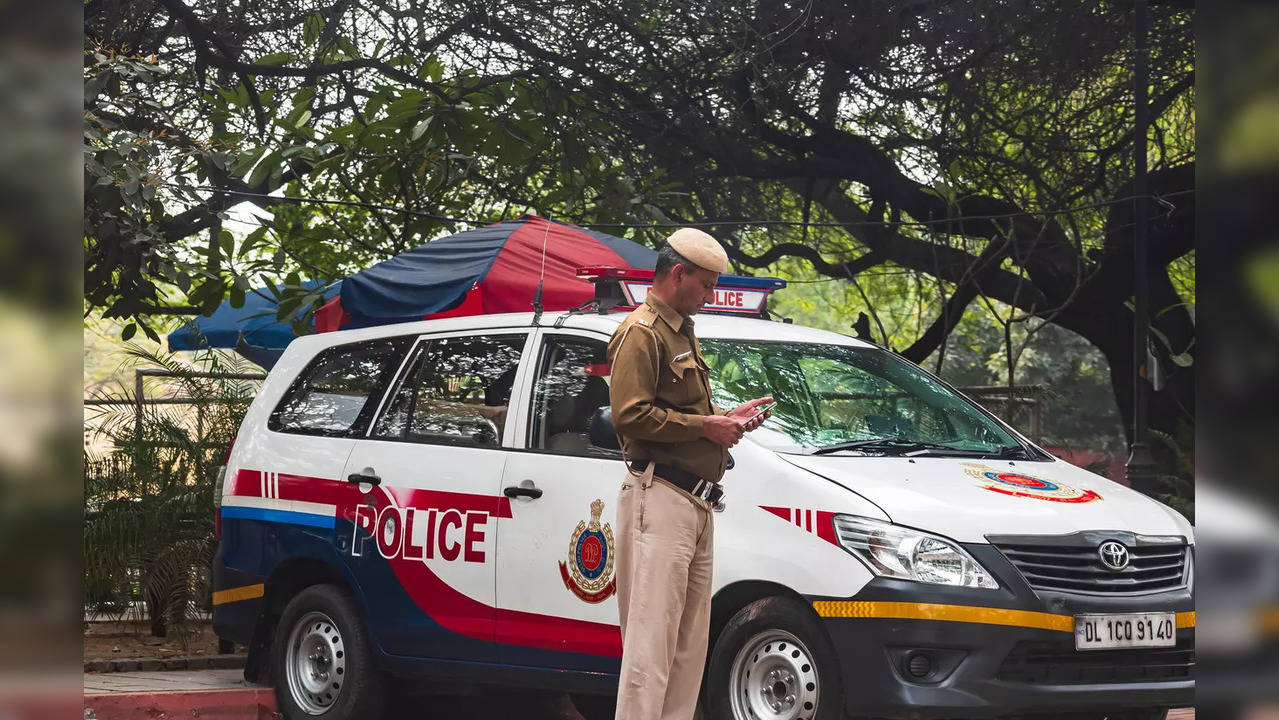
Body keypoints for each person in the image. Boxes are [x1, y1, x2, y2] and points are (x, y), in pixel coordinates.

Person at [607, 228, 774, 720]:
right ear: (677, 274)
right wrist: (707, 425)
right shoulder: (641, 332)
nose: (709, 295)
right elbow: (630, 415)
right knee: (649, 648)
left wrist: (725, 419)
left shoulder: (680, 329)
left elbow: (679, 412)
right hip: (658, 495)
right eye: (704, 285)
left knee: (686, 649)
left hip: (695, 501)